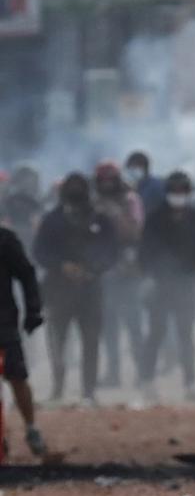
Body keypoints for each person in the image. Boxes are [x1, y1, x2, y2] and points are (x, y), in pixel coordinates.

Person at [33, 173, 120, 403]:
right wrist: (62, 266)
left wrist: (93, 268)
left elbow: (111, 251)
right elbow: (40, 252)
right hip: (59, 290)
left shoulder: (100, 220)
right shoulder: (52, 220)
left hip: (90, 290)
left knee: (91, 341)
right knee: (57, 342)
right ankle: (58, 387)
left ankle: (88, 391)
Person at [138, 171, 195, 403]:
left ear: (188, 193)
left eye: (182, 191)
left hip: (186, 284)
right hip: (160, 284)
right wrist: (148, 276)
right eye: (174, 191)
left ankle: (190, 383)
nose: (178, 196)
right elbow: (145, 251)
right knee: (156, 333)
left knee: (185, 335)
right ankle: (147, 381)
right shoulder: (155, 218)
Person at [94, 161, 146, 389]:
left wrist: (114, 214)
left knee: (133, 324)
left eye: (110, 179)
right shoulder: (93, 202)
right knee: (109, 326)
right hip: (103, 269)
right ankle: (113, 373)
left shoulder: (129, 200)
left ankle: (142, 374)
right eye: (102, 180)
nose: (106, 184)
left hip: (127, 270)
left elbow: (135, 231)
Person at [0, 223, 48, 456]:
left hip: (3, 323)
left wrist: (33, 310)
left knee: (17, 376)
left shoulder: (4, 239)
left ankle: (31, 428)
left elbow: (27, 274)